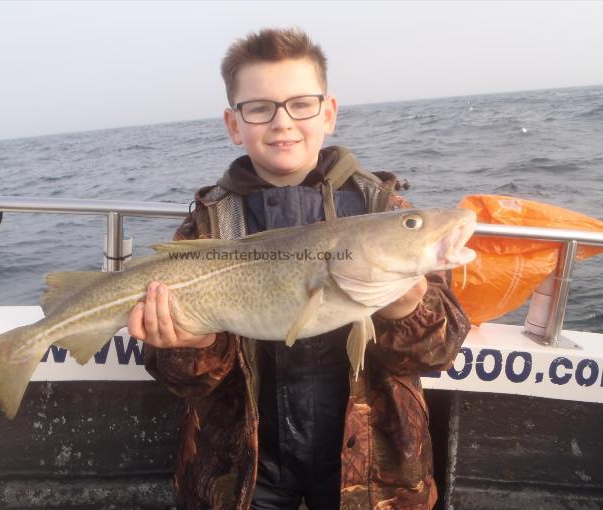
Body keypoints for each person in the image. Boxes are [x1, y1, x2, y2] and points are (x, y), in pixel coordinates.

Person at [128, 28, 470, 510]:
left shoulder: (383, 208)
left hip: (374, 472)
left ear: (327, 113)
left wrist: (408, 307)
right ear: (234, 123)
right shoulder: (209, 226)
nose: (282, 122)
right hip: (242, 473)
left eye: (300, 104)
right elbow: (181, 380)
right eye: (260, 107)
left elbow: (440, 352)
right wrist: (193, 346)